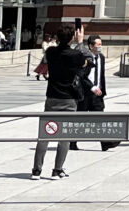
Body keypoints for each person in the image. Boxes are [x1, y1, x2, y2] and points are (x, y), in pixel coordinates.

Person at [31, 24, 87, 180]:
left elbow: (57, 55)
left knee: (45, 134)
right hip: (69, 99)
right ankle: (57, 169)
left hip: (52, 97)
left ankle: (37, 169)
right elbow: (85, 61)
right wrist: (80, 42)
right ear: (72, 37)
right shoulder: (75, 54)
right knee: (64, 136)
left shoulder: (50, 52)